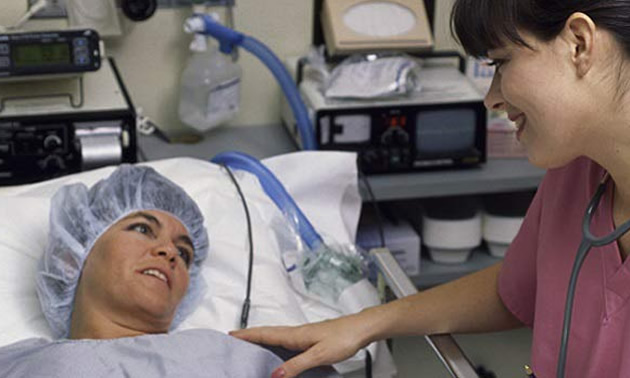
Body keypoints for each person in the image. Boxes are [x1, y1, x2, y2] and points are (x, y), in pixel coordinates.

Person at [230, 1, 630, 377]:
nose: (490, 98)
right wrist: (362, 325)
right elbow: (520, 285)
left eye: (501, 62)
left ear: (579, 43)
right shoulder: (578, 171)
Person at [0, 165, 283, 377]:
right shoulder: (17, 366)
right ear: (70, 259)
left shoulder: (232, 356)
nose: (170, 252)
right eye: (142, 229)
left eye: (184, 253)